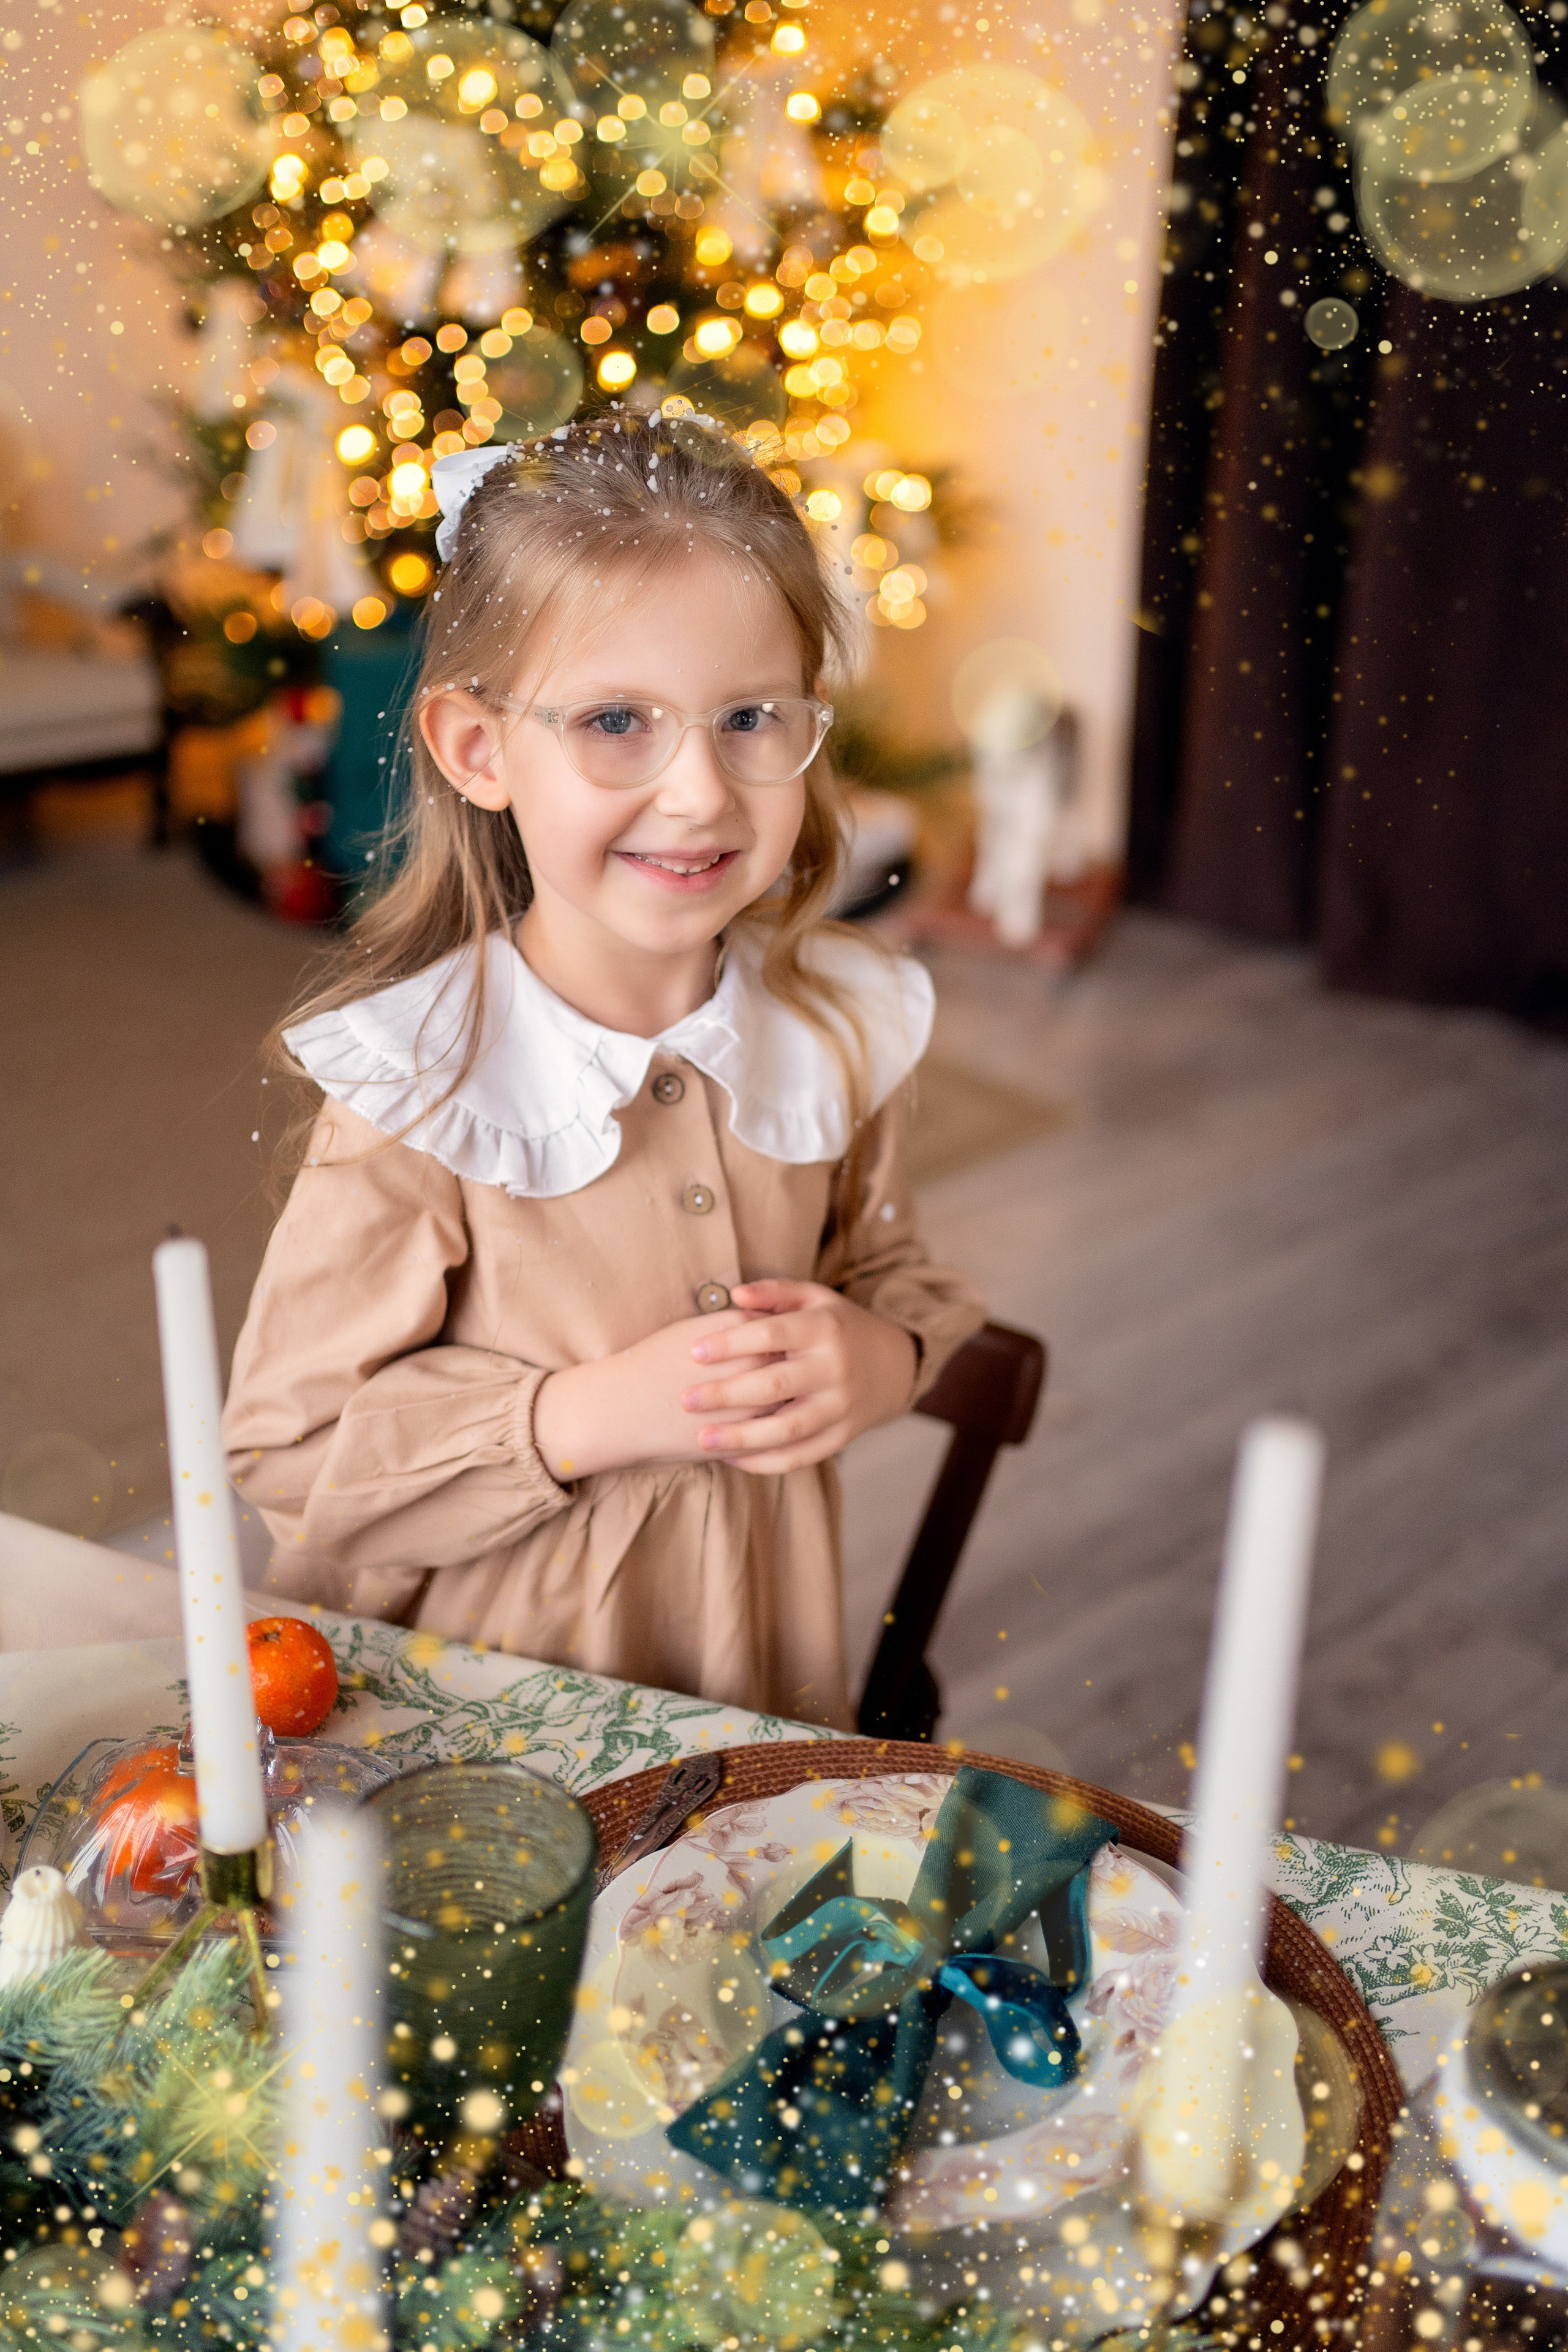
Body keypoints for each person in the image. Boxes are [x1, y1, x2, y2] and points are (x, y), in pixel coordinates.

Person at [222, 409, 985, 1728]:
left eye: (749, 717)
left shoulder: (835, 1028)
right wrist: (572, 1419)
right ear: (479, 749)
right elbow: (286, 1452)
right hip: (487, 1708)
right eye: (617, 722)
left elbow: (891, 1271)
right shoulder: (424, 1086)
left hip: (762, 1660)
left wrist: (884, 1355)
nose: (697, 793)